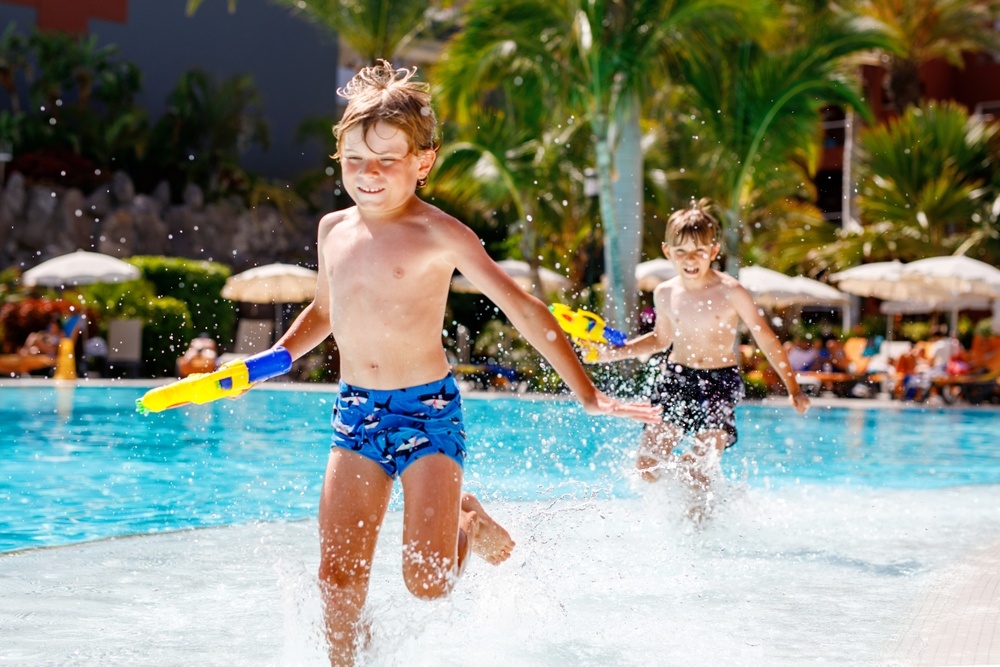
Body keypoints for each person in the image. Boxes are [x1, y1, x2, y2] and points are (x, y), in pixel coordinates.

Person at [267, 61, 661, 665]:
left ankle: (467, 522)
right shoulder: (331, 229)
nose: (368, 175)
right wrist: (268, 360)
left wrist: (587, 392)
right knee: (337, 580)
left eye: (387, 160)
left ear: (424, 162)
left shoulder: (441, 234)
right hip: (354, 414)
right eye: (353, 160)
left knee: (428, 583)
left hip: (426, 414)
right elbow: (327, 309)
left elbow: (525, 308)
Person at [592, 198, 810, 515]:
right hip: (676, 378)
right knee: (647, 465)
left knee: (697, 472)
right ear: (667, 251)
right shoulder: (665, 292)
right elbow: (660, 339)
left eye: (698, 251)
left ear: (714, 251)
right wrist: (613, 353)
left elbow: (765, 338)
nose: (690, 259)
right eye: (681, 251)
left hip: (719, 381)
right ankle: (678, 514)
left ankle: (701, 531)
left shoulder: (730, 291)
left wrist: (793, 387)